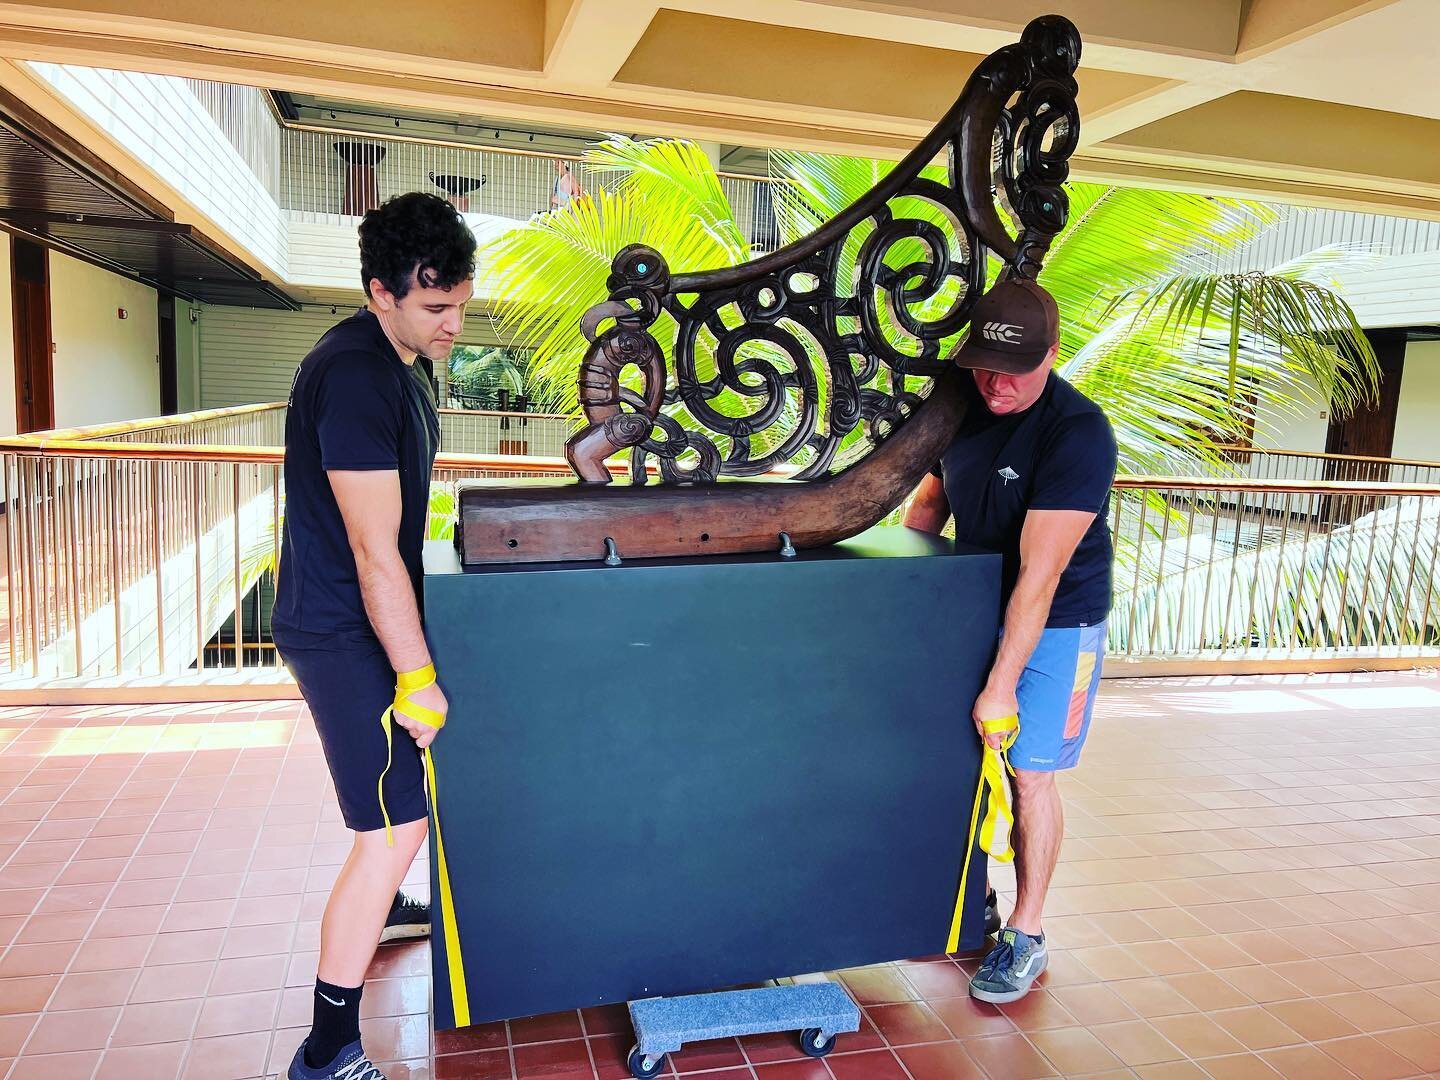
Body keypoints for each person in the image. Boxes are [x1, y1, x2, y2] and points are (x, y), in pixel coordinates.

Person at [273, 192, 476, 1079]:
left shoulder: (400, 360)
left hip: (356, 621)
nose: (454, 325)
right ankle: (326, 1051)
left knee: (398, 816)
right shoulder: (355, 375)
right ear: (379, 292)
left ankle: (390, 912)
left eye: (462, 304)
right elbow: (370, 548)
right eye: (436, 307)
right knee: (393, 828)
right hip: (342, 630)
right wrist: (416, 676)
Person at [903, 278, 1117, 1005]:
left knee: (1028, 773)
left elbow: (1041, 574)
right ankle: (973, 905)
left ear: (1052, 355)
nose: (996, 386)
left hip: (1058, 621)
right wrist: (901, 607)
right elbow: (928, 507)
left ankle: (1024, 933)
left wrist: (1001, 683)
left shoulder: (1077, 433)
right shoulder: (964, 410)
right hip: (973, 608)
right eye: (985, 369)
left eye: (1015, 371)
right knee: (958, 763)